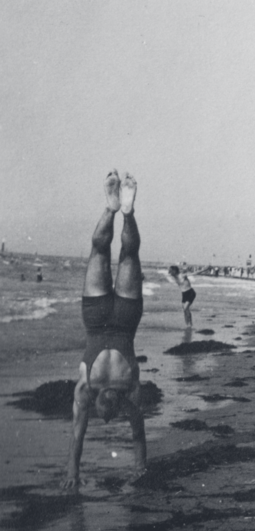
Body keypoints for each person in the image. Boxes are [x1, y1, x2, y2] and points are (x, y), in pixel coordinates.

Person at [65, 170, 147, 490]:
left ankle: (110, 208)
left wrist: (72, 471)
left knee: (99, 248)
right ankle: (126, 211)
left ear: (96, 405)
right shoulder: (132, 395)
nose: (109, 405)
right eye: (114, 407)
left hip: (96, 319)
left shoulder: (84, 392)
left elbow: (76, 433)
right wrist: (141, 467)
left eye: (106, 407)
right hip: (126, 322)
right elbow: (138, 434)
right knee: (130, 253)